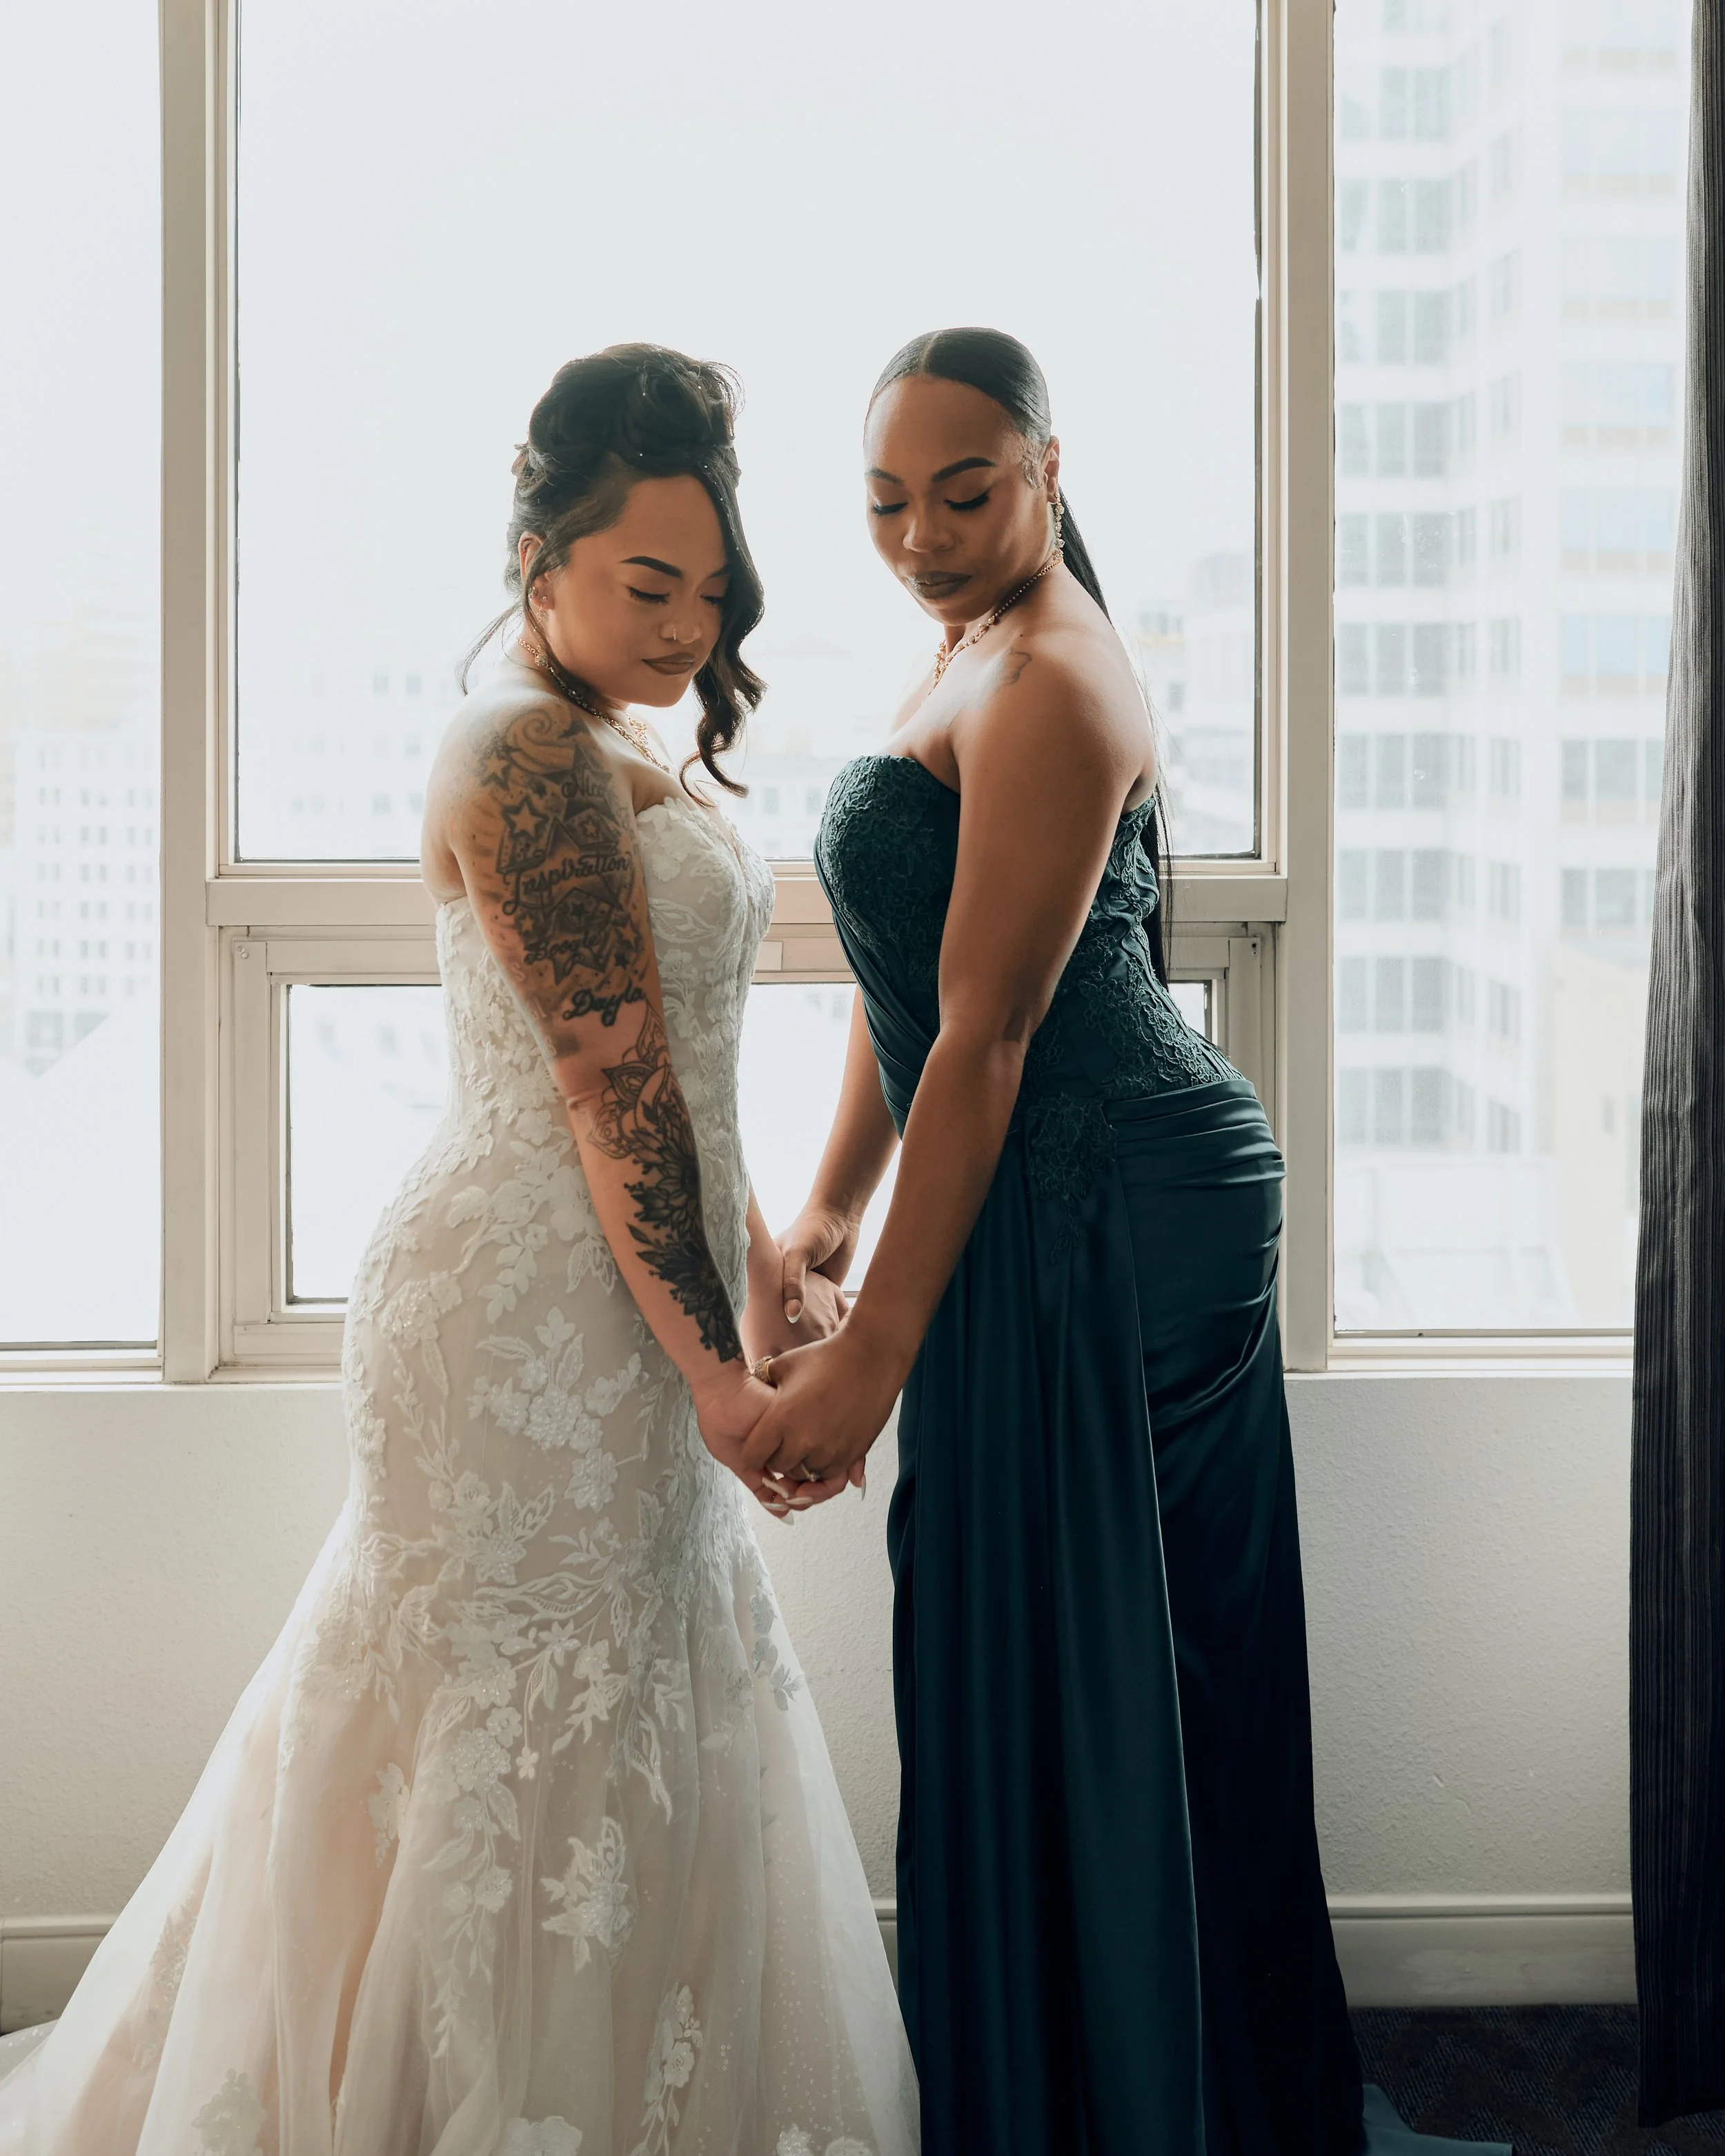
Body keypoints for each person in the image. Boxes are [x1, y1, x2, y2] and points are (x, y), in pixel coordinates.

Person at [0, 346, 916, 2156]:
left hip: (630, 1300)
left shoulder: (618, 744)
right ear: (536, 557)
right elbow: (605, 1076)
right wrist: (722, 1382)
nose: (685, 624)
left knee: (643, 1682)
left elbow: (686, 1073)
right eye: (645, 582)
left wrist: (761, 1277)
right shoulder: (518, 751)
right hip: (514, 1317)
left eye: (708, 587)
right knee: (493, 1717)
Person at [741, 327, 1509, 2156]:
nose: (920, 536)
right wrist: (828, 1214)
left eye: (963, 493)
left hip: (1119, 1204)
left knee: (1124, 1684)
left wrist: (872, 1351)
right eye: (884, 502)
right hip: (1024, 1183)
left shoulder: (1052, 678)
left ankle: (1163, 2103)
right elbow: (914, 978)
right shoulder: (971, 646)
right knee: (1054, 1666)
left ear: (1048, 469)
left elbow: (989, 1031)